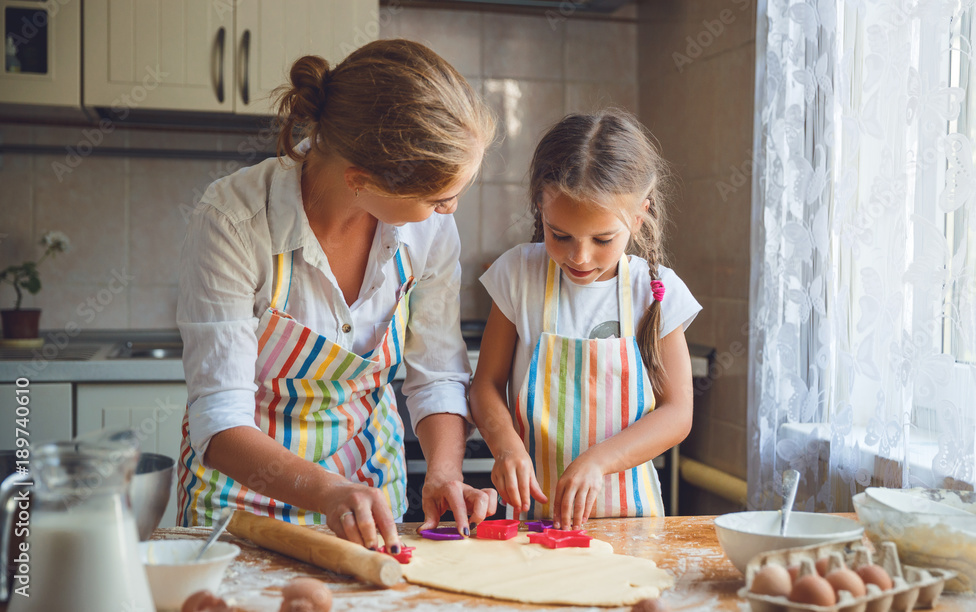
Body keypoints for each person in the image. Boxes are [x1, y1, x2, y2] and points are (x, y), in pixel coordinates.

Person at [175, 39, 498, 554]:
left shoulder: (430, 233)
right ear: (360, 180)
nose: (450, 210)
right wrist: (327, 492)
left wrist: (443, 471)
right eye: (438, 198)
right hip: (239, 510)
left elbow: (435, 373)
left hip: (370, 495)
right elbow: (220, 420)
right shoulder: (234, 220)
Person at [470, 109, 702, 530]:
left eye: (602, 239)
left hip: (632, 521)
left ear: (638, 217)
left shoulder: (654, 292)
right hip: (534, 522)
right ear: (540, 206)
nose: (579, 256)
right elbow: (485, 384)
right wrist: (505, 446)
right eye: (560, 235)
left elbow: (678, 412)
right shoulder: (517, 275)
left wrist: (599, 461)